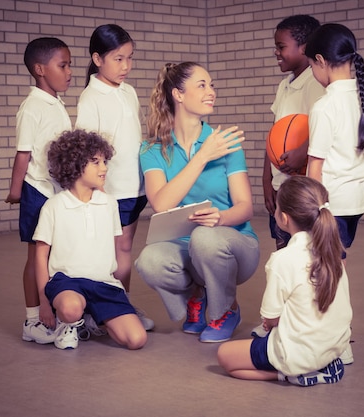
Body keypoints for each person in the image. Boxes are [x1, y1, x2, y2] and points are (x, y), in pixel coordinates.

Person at [135, 62, 260, 343]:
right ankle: (198, 295)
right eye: (202, 85)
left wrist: (220, 218)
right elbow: (161, 203)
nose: (211, 92)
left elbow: (245, 207)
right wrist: (202, 156)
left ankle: (226, 310)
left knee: (205, 237)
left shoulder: (225, 143)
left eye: (211, 85)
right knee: (149, 261)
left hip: (235, 244)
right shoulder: (151, 150)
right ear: (178, 94)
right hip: (186, 247)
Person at [217, 176, 353, 386]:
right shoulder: (334, 254)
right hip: (333, 347)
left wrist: (271, 324)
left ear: (284, 218)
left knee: (225, 355)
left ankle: (294, 374)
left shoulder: (283, 259)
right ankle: (320, 367)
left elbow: (270, 318)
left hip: (298, 353)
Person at [33, 129, 148, 350]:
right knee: (70, 308)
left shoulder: (109, 204)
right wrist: (44, 302)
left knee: (137, 340)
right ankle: (68, 322)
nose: (104, 168)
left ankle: (92, 317)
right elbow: (41, 255)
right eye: (95, 162)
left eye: (104, 161)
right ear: (74, 165)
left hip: (104, 284)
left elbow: (113, 253)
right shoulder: (54, 206)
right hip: (67, 283)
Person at [75, 24, 154, 332]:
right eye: (118, 59)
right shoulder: (90, 97)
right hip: (111, 190)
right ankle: (108, 311)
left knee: (124, 250)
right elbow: (88, 149)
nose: (126, 66)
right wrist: (100, 192)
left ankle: (122, 307)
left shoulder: (129, 91)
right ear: (98, 58)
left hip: (135, 186)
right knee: (111, 253)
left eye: (129, 58)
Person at [5, 37, 72, 344]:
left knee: (55, 256)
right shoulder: (32, 107)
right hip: (36, 191)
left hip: (57, 192)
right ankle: (32, 320)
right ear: (40, 69)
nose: (70, 71)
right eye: (63, 65)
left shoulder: (55, 103)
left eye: (69, 64)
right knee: (36, 259)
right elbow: (24, 153)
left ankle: (56, 314)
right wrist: (16, 191)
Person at [304, 23, 364, 260]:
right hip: (358, 200)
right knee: (336, 260)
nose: (313, 73)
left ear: (320, 60)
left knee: (326, 268)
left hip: (332, 203)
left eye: (311, 66)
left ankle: (336, 299)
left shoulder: (325, 106)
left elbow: (315, 167)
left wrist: (311, 210)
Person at [263, 15, 325, 252]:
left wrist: (302, 152)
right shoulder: (284, 85)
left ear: (304, 47)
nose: (276, 52)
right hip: (281, 185)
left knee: (307, 252)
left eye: (281, 47)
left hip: (303, 189)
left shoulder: (315, 83)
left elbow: (324, 128)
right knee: (283, 247)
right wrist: (266, 180)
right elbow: (274, 134)